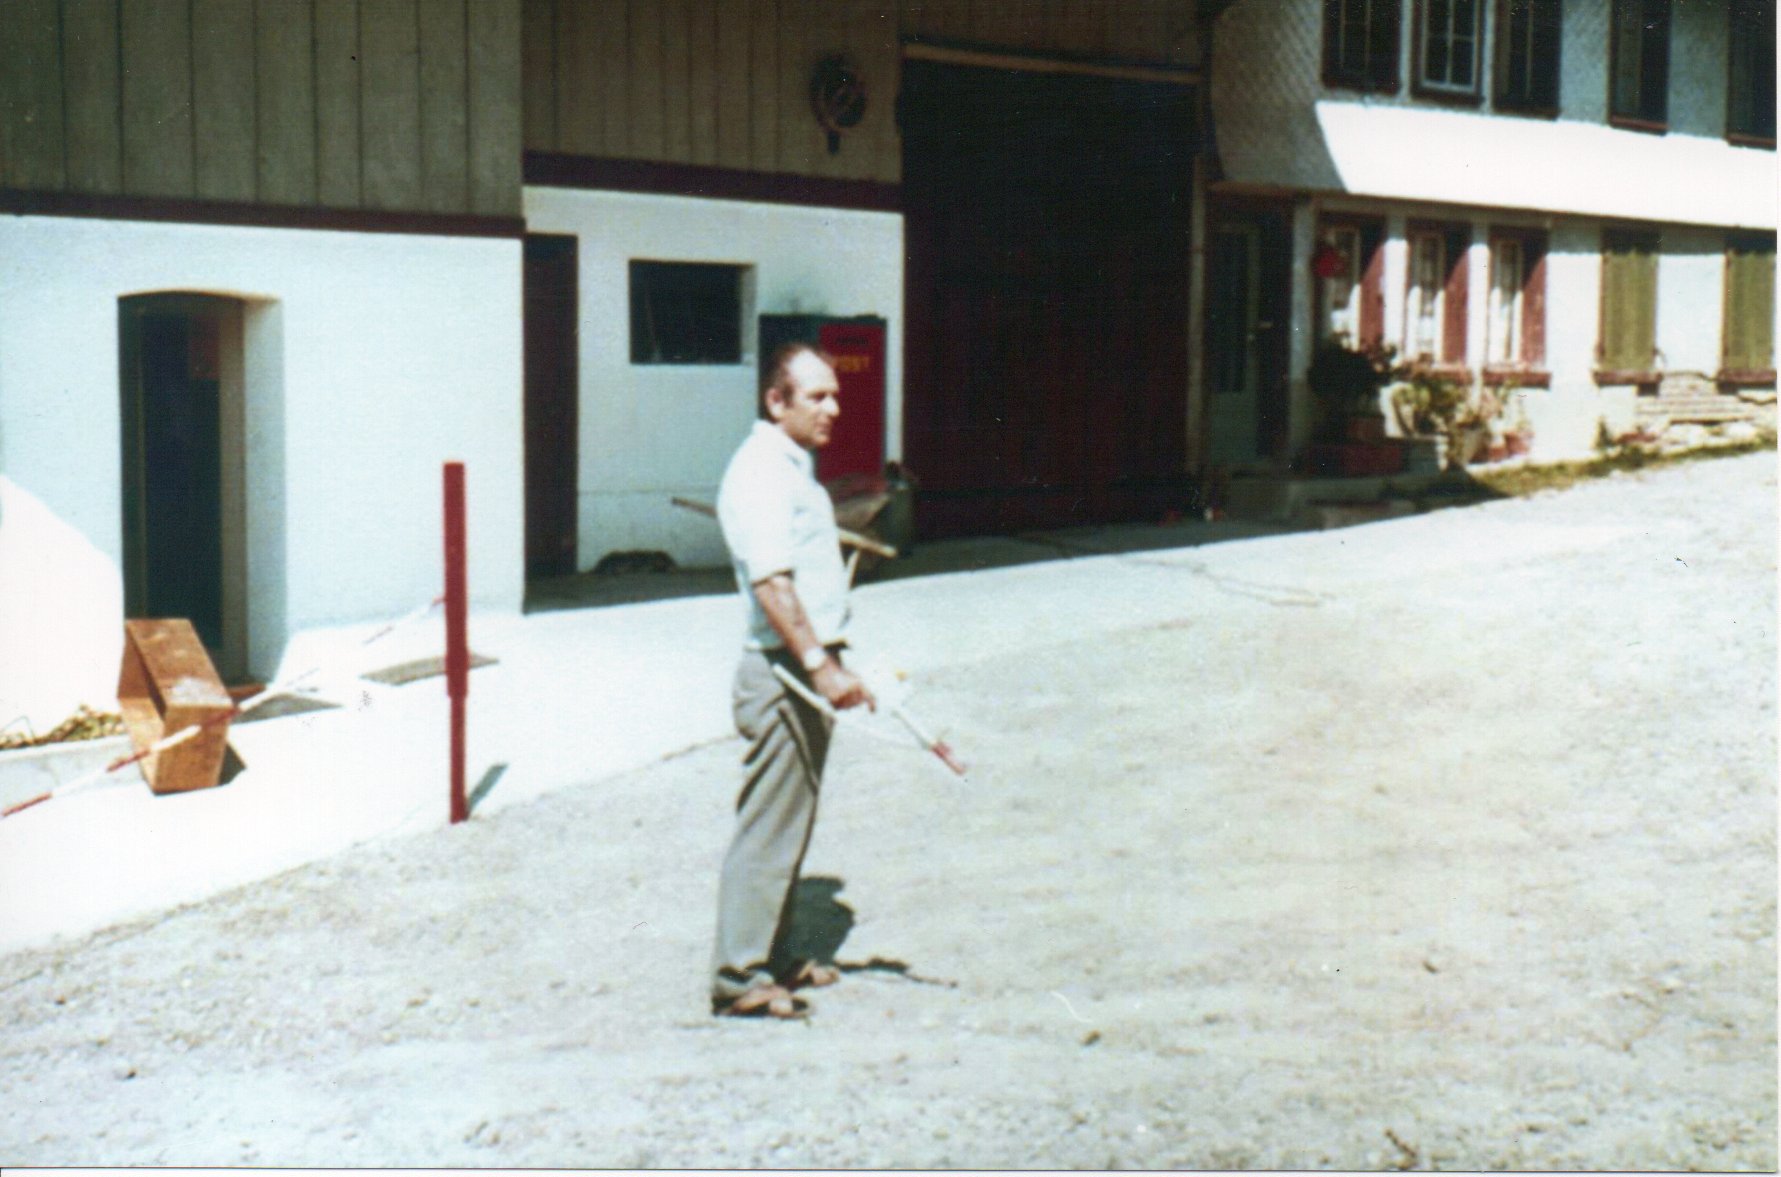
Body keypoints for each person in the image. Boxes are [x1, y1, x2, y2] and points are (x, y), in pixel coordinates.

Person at [709, 343, 876, 1019]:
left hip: (803, 663)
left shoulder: (791, 467)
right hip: (782, 670)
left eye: (835, 395)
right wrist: (819, 666)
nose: (832, 408)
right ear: (775, 401)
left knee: (790, 822)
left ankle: (773, 957)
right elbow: (773, 584)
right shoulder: (759, 472)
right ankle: (738, 976)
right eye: (817, 397)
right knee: (769, 826)